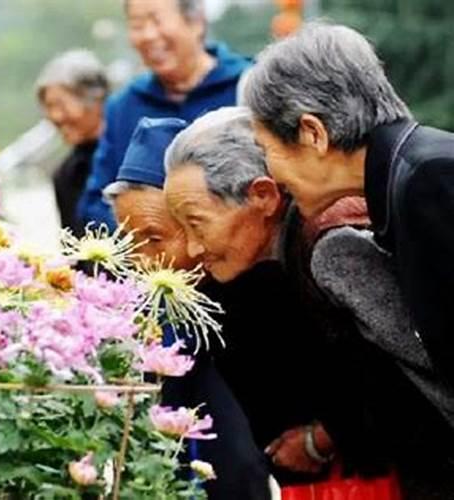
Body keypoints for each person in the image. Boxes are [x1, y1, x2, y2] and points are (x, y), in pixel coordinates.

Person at [164, 106, 454, 497]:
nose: (193, 247)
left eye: (196, 223)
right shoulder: (286, 255)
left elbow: (433, 375)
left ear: (263, 195)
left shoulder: (329, 247)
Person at [243, 22, 454, 396]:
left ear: (313, 134)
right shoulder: (405, 178)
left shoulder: (428, 179)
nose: (270, 175)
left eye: (266, 150)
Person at [103, 117, 272, 500]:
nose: (143, 262)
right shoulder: (152, 317)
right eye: (128, 243)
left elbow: (239, 467)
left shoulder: (248, 307)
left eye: (155, 238)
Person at [76, 0, 251, 230]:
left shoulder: (248, 86)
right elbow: (95, 203)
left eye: (156, 21)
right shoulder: (123, 107)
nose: (148, 35)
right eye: (137, 25)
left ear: (196, 22)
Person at [36, 49, 109, 237]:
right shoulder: (65, 174)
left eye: (61, 105)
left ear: (96, 99)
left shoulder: (127, 157)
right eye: (48, 107)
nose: (55, 116)